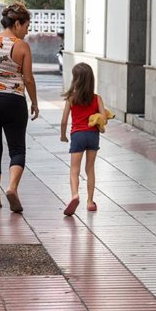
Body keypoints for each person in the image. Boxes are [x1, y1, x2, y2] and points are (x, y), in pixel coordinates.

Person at [0, 3, 39, 213]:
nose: (27, 31)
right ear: (17, 23)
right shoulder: (21, 46)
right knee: (17, 149)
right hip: (12, 101)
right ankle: (12, 187)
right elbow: (28, 79)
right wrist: (35, 103)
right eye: (26, 26)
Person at [59, 62, 106, 216]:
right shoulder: (97, 99)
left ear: (75, 80)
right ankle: (90, 202)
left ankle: (75, 195)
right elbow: (103, 119)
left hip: (77, 135)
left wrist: (63, 135)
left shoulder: (71, 99)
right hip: (92, 136)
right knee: (90, 169)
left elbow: (64, 120)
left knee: (74, 169)